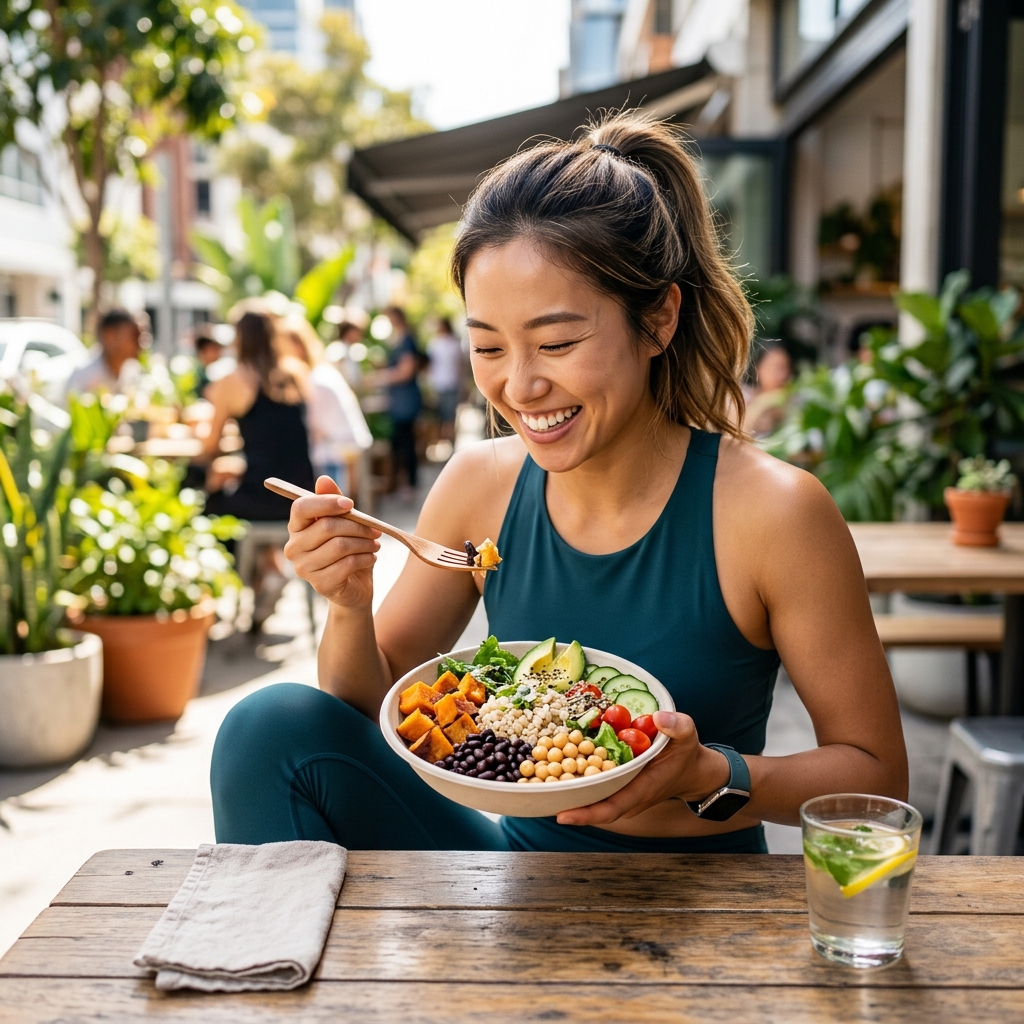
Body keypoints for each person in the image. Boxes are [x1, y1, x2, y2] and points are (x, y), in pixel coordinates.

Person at [211, 112, 908, 854]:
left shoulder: (774, 512)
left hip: (702, 911)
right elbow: (367, 708)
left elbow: (877, 778)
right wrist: (348, 604)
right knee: (269, 728)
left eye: (557, 342)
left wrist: (710, 773)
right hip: (516, 882)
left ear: (659, 318)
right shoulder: (482, 483)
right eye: (488, 346)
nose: (519, 385)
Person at [202, 307, 315, 626]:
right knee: (235, 489)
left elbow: (209, 446)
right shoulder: (294, 372)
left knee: (208, 505)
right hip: (299, 497)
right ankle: (271, 571)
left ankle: (248, 586)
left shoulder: (234, 379)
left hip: (263, 496)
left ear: (239, 338)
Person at [277, 314, 372, 498]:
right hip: (343, 447)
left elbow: (313, 428)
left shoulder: (315, 380)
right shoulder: (321, 373)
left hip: (337, 453)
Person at [379, 306, 422, 497]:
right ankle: (402, 483)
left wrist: (380, 377)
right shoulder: (398, 340)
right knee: (399, 442)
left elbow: (406, 371)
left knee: (406, 442)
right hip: (399, 400)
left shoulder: (406, 341)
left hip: (406, 400)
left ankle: (410, 484)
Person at [66, 308, 142, 398]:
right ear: (109, 336)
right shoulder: (84, 376)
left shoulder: (132, 372)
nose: (141, 343)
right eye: (134, 335)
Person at [742, 342, 792, 437]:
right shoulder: (742, 399)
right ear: (758, 369)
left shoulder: (795, 404)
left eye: (786, 368)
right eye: (776, 368)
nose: (782, 376)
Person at [427, 316, 463, 442]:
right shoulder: (434, 343)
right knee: (440, 415)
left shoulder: (454, 343)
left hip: (452, 384)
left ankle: (450, 440)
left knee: (450, 415)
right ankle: (442, 440)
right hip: (439, 384)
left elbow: (460, 366)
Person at [192, 324, 224, 397]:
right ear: (203, 351)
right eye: (214, 349)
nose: (219, 353)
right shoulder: (195, 374)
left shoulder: (211, 371)